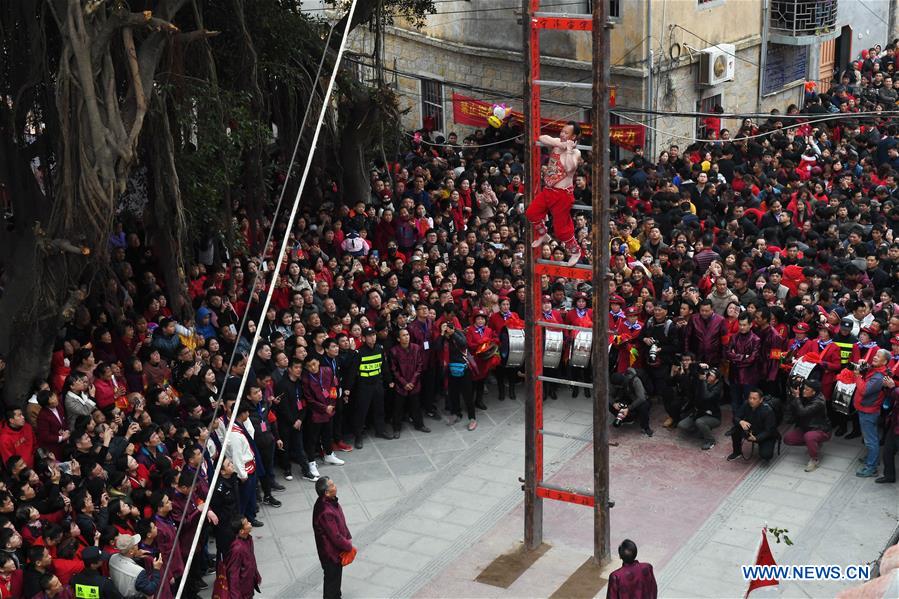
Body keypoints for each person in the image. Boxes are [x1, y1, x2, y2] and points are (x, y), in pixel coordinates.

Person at [526, 122, 583, 266]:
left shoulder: (576, 152)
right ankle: (543, 234)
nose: (562, 134)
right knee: (531, 213)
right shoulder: (558, 143)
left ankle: (575, 251)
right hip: (548, 190)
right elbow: (542, 137)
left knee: (561, 230)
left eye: (566, 133)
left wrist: (568, 150)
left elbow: (570, 167)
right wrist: (562, 144)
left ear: (574, 136)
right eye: (562, 132)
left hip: (562, 195)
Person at [342, 327, 393, 449]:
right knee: (361, 411)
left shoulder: (379, 349)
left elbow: (384, 367)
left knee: (380, 409)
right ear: (364, 338)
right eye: (369, 336)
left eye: (374, 335)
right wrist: (348, 388)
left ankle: (380, 430)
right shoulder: (359, 353)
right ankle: (358, 436)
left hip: (377, 384)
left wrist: (389, 380)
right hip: (364, 387)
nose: (373, 338)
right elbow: (353, 372)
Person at [853, 348, 894, 477]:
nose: (875, 357)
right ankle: (871, 459)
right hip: (866, 409)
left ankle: (871, 467)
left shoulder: (878, 377)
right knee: (871, 437)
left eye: (878, 356)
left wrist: (858, 376)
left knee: (871, 440)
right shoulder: (877, 370)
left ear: (885, 361)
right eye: (875, 354)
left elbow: (864, 390)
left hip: (868, 411)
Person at [313, 476, 354, 599]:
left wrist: (347, 535)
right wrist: (348, 546)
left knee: (335, 579)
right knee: (332, 580)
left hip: (335, 552)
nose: (335, 486)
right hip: (330, 554)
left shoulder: (331, 502)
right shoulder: (325, 511)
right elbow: (335, 536)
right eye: (332, 485)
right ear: (326, 492)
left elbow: (341, 522)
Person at [783, 380, 831, 472]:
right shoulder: (807, 396)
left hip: (821, 429)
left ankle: (814, 459)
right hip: (806, 427)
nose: (803, 391)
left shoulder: (819, 402)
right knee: (788, 439)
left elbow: (803, 412)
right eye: (804, 388)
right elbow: (792, 410)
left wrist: (797, 397)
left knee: (809, 437)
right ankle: (813, 445)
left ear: (814, 392)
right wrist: (792, 396)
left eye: (806, 389)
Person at [388, 328, 430, 437]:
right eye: (403, 335)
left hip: (414, 383)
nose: (406, 337)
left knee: (416, 405)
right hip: (400, 385)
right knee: (398, 408)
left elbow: (420, 366)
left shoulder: (416, 348)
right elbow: (394, 369)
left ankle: (419, 425)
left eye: (407, 335)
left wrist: (412, 382)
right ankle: (396, 428)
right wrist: (404, 383)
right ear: (398, 338)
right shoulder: (394, 351)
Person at [727, 389, 779, 462]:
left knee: (766, 455)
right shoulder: (746, 404)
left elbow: (769, 431)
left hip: (765, 434)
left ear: (761, 400)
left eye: (754, 399)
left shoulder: (768, 411)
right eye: (750, 398)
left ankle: (767, 446)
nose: (751, 400)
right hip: (751, 429)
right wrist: (740, 421)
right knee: (735, 430)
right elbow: (735, 417)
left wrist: (756, 438)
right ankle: (737, 452)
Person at [677, 366, 722, 450]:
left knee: (700, 422)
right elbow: (692, 369)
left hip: (713, 416)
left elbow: (706, 396)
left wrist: (703, 381)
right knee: (682, 425)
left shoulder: (717, 389)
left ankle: (710, 441)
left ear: (717, 379)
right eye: (708, 374)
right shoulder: (702, 382)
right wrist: (699, 365)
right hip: (699, 412)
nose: (708, 376)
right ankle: (701, 430)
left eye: (711, 376)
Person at [108, 533, 162, 598]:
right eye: (136, 545)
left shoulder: (112, 558)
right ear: (131, 551)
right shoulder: (138, 572)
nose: (138, 546)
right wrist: (156, 569)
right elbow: (150, 590)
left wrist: (134, 555)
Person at [609, 369, 653, 437]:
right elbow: (609, 395)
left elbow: (641, 398)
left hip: (639, 400)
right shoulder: (615, 382)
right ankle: (626, 419)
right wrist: (614, 403)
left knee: (643, 407)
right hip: (626, 399)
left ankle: (645, 427)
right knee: (609, 404)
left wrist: (628, 408)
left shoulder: (635, 380)